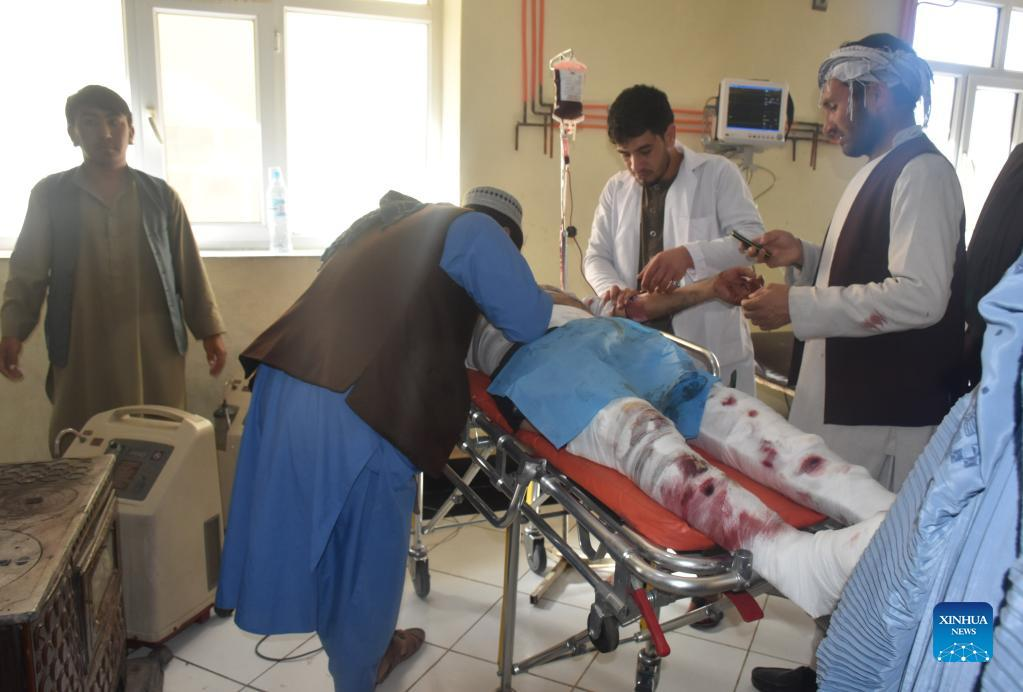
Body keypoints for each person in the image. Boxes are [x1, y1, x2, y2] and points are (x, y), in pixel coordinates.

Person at [215, 187, 553, 692]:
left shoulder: (397, 224)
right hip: (358, 404)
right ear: (506, 237)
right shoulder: (478, 232)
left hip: (286, 382)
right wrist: (551, 298)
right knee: (365, 559)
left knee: (329, 545)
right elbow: (528, 319)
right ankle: (361, 671)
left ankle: (368, 651)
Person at [470, 280, 896, 619]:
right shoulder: (462, 313)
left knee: (735, 415)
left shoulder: (548, 287)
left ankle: (886, 510)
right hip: (542, 358)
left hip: (614, 339)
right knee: (640, 431)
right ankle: (791, 560)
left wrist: (710, 286)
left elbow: (638, 306)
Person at [741, 34, 965, 494]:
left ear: (875, 95)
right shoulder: (879, 167)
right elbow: (870, 270)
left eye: (833, 106)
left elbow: (920, 296)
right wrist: (805, 256)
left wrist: (796, 305)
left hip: (884, 417)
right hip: (849, 406)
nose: (827, 123)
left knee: (868, 535)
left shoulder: (922, 172)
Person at [0, 85, 226, 450]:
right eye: (90, 122)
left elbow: (189, 269)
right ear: (73, 133)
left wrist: (210, 332)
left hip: (153, 347)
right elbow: (28, 271)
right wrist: (12, 330)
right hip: (81, 345)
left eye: (114, 121)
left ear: (131, 130)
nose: (105, 133)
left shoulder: (160, 197)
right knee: (80, 440)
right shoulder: (51, 195)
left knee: (160, 442)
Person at [583, 84, 762, 393]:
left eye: (644, 151)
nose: (635, 166)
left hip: (709, 353)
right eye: (625, 155)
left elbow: (753, 242)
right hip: (640, 352)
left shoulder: (717, 174)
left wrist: (690, 255)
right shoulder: (616, 189)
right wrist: (612, 288)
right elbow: (596, 256)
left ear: (669, 135)